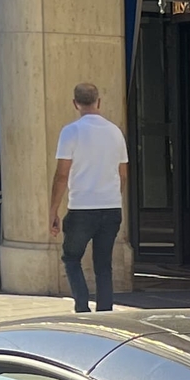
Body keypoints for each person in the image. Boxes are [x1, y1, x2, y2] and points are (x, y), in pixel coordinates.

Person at [49, 82, 129, 314]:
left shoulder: (71, 132)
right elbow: (123, 173)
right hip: (111, 206)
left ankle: (82, 309)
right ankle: (105, 313)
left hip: (82, 207)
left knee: (72, 258)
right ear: (99, 102)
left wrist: (53, 210)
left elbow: (61, 175)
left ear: (75, 104)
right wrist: (115, 195)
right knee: (103, 265)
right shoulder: (115, 132)